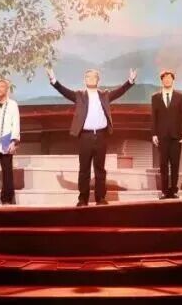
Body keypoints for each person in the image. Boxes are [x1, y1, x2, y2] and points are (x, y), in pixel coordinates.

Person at [46, 67, 136, 206]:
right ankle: (83, 199)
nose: (91, 79)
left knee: (100, 169)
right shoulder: (79, 95)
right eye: (88, 77)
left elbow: (119, 92)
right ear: (84, 80)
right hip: (85, 137)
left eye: (94, 77)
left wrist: (130, 81)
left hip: (101, 136)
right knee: (84, 169)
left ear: (98, 80)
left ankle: (100, 198)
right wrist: (53, 80)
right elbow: (64, 91)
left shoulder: (104, 95)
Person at [150, 70, 182, 200]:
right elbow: (153, 117)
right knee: (163, 165)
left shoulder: (180, 97)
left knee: (175, 164)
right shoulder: (156, 97)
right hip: (162, 136)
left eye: (169, 78)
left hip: (176, 135)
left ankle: (174, 191)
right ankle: (164, 191)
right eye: (165, 78)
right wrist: (154, 134)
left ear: (173, 80)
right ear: (162, 80)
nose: (167, 80)